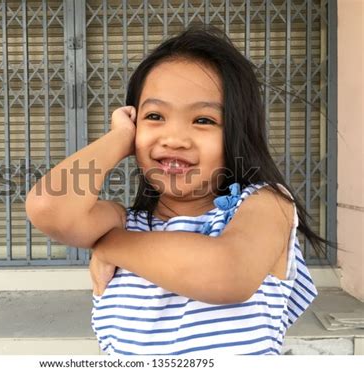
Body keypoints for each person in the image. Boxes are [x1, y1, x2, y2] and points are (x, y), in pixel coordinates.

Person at [26, 27, 333, 355]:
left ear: (236, 134)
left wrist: (110, 246)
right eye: (155, 116)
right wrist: (117, 139)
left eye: (203, 120)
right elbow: (48, 206)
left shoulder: (264, 203)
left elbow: (228, 274)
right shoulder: (123, 221)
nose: (174, 138)